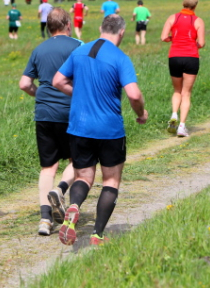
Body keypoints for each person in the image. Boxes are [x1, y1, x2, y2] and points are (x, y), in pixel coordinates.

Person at [53, 15, 148, 246]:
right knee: (111, 181)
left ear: (100, 28)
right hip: (109, 130)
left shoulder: (79, 51)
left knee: (83, 177)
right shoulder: (120, 57)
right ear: (122, 32)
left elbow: (58, 81)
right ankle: (97, 234)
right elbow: (134, 94)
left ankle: (74, 206)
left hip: (79, 127)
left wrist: (79, 93)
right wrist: (141, 113)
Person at [19, 8, 81, 236]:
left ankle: (45, 219)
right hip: (71, 112)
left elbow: (24, 84)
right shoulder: (78, 46)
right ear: (67, 24)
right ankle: (60, 191)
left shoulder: (38, 49)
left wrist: (41, 95)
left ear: (48, 27)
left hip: (44, 113)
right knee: (78, 160)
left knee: (48, 167)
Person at [161, 0, 205, 137]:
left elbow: (163, 37)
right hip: (191, 57)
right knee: (186, 93)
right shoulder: (198, 21)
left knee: (177, 91)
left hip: (174, 57)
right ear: (195, 5)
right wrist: (192, 44)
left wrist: (173, 39)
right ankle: (182, 126)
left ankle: (174, 115)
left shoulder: (172, 18)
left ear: (183, 3)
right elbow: (201, 43)